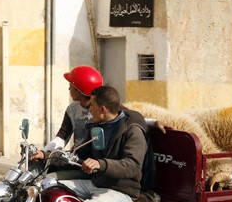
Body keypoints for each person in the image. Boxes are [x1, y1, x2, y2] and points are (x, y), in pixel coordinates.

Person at [32, 65, 167, 163]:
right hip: (76, 157)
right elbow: (62, 136)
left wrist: (154, 122)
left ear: (80, 90)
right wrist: (44, 152)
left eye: (71, 86)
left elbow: (129, 117)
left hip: (96, 162)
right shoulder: (72, 109)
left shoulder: (105, 107)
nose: (68, 88)